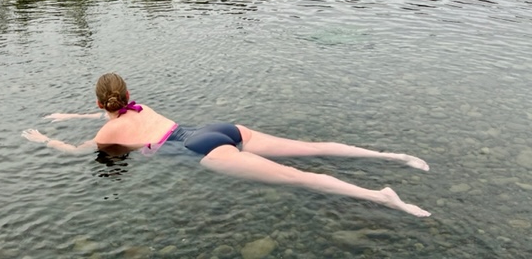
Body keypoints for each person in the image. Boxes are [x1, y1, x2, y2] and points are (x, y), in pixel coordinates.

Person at [22, 72, 431, 217]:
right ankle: (391, 156)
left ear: (99, 104)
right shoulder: (139, 108)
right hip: (219, 128)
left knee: (300, 179)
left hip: (201, 152)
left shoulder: (106, 134)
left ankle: (382, 197)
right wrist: (71, 115)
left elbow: (77, 151)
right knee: (311, 146)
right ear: (128, 96)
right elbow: (110, 112)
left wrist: (46, 139)